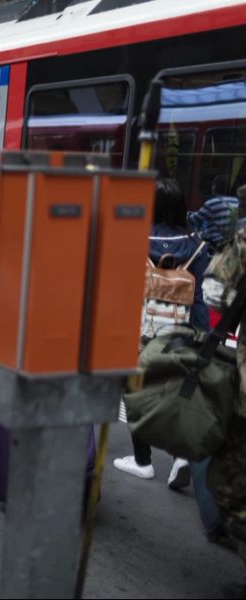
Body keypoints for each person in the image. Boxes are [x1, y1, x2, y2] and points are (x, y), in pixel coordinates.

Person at [114, 178, 210, 484]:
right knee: (177, 393)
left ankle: (143, 461)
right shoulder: (198, 245)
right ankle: (180, 456)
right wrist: (202, 339)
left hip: (139, 333)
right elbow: (200, 300)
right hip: (179, 335)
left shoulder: (136, 239)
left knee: (134, 393)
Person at [188, 175, 240, 251]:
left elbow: (194, 220)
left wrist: (185, 214)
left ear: (215, 188)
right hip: (231, 246)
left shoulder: (213, 203)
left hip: (213, 247)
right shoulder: (237, 201)